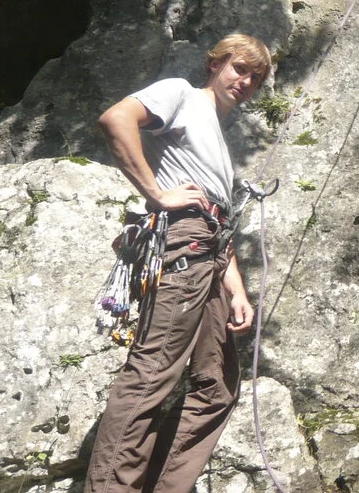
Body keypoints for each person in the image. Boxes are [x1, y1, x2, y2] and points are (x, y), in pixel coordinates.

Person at [85, 34, 272, 493]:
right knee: (153, 372)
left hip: (207, 250)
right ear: (215, 64)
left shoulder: (217, 142)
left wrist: (238, 292)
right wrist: (155, 193)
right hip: (183, 245)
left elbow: (217, 223)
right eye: (238, 69)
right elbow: (116, 119)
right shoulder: (181, 95)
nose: (245, 82)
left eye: (255, 77)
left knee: (218, 386)